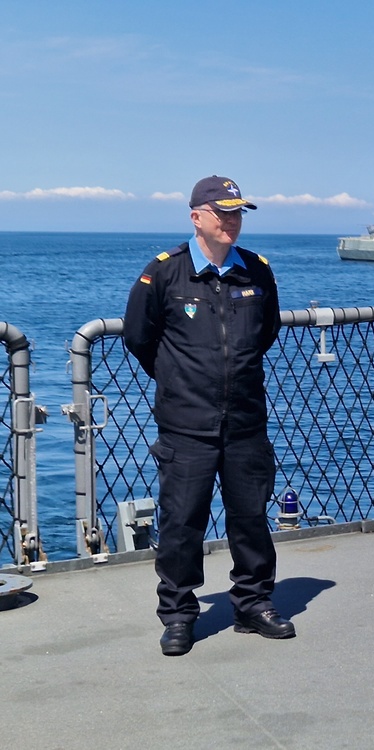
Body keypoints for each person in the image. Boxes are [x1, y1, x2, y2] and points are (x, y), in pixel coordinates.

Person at [124, 175, 294, 656]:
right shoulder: (165, 273)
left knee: (250, 518)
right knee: (182, 523)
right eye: (223, 213)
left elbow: (266, 333)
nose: (232, 222)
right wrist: (180, 380)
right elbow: (139, 337)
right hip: (186, 424)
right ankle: (179, 615)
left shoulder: (257, 272)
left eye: (238, 213)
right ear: (197, 217)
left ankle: (254, 604)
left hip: (244, 421)